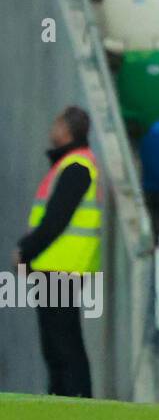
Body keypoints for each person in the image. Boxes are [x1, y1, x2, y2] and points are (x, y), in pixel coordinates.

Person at [15, 107, 98, 398]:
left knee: (63, 343)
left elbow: (56, 219)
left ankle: (74, 401)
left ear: (66, 130)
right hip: (58, 266)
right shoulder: (73, 164)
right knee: (57, 342)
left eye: (56, 123)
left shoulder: (75, 166)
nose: (52, 129)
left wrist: (26, 250)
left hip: (62, 266)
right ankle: (62, 402)